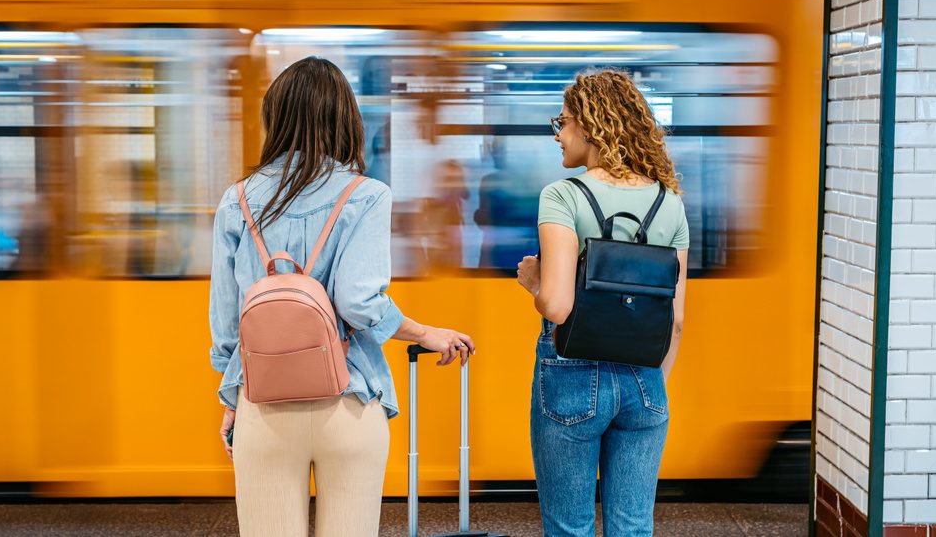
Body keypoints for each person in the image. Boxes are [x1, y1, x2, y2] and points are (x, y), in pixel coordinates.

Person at [209, 56, 475, 537]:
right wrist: (424, 333)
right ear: (345, 122)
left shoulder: (237, 200)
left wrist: (231, 399)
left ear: (275, 119)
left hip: (264, 404)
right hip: (348, 401)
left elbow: (228, 323)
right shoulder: (367, 194)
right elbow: (358, 302)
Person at [516, 69, 690, 537]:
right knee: (632, 529)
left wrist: (533, 281)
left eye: (564, 122)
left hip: (572, 375)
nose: (559, 135)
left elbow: (556, 305)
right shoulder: (669, 203)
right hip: (645, 381)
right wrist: (651, 388)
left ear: (592, 125)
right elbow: (674, 321)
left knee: (570, 529)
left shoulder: (562, 195)